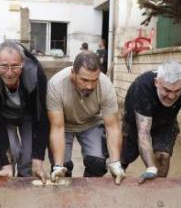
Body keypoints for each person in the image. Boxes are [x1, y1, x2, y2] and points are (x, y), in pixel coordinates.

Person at [121, 60, 181, 188]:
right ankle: (115, 185)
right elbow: (144, 132)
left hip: (164, 122)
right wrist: (150, 167)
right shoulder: (142, 86)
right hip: (136, 123)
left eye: (177, 90)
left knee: (163, 157)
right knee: (123, 159)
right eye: (167, 90)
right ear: (157, 82)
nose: (172, 96)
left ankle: (158, 190)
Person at [46, 51, 125, 184]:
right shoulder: (56, 85)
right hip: (64, 126)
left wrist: (116, 163)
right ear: (73, 73)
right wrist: (58, 165)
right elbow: (57, 127)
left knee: (98, 164)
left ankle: (87, 195)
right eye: (84, 80)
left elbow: (112, 127)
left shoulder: (106, 86)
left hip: (91, 123)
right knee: (62, 170)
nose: (89, 86)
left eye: (94, 80)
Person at [0, 41, 51, 181]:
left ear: (22, 62)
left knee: (28, 156)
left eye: (15, 66)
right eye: (4, 66)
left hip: (28, 114)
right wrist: (6, 163)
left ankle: (24, 182)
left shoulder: (36, 74)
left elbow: (40, 117)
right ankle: (5, 177)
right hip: (3, 115)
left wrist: (38, 159)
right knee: (12, 152)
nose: (10, 73)